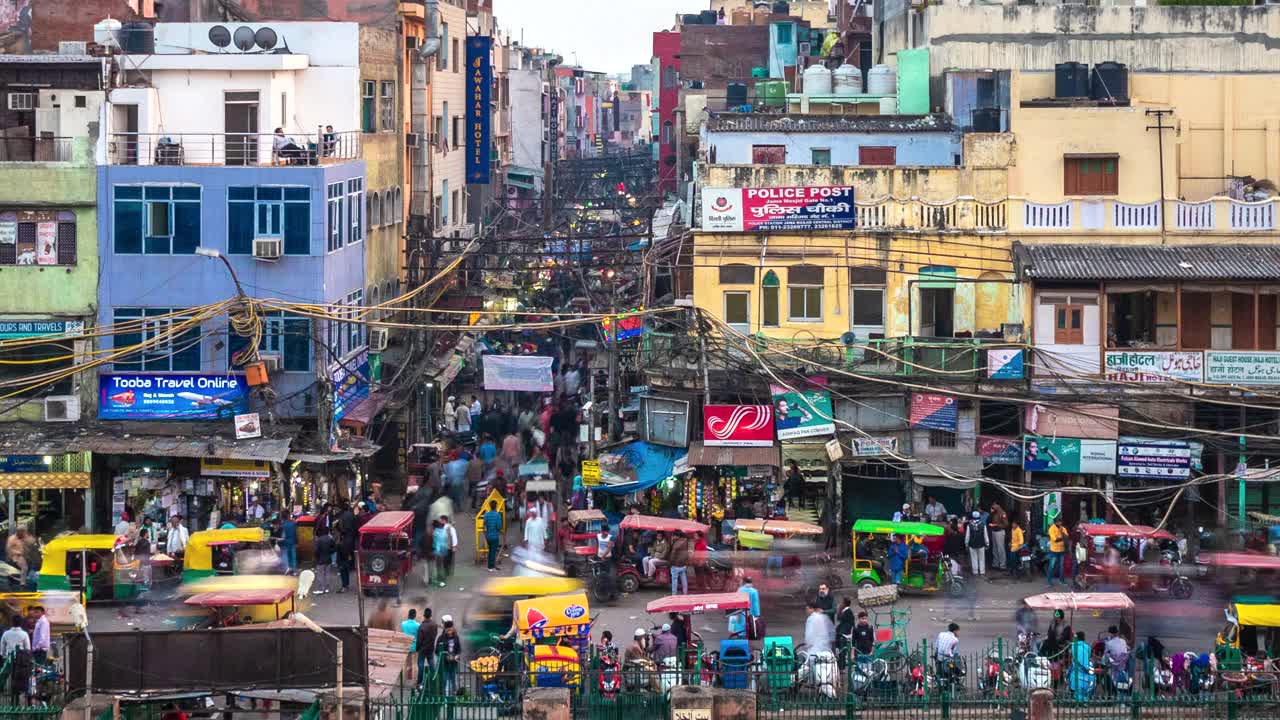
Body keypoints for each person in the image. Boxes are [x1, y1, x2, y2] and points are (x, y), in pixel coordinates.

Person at [438, 616, 462, 695]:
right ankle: (445, 697)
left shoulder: (456, 637)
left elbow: (459, 649)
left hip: (453, 663)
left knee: (453, 681)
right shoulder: (441, 638)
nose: (449, 632)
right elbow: (437, 651)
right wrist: (445, 656)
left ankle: (453, 698)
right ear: (445, 630)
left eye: (450, 630)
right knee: (444, 681)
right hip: (445, 664)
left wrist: (457, 655)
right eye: (448, 630)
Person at [415, 609, 439, 684]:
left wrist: (417, 648)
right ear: (430, 616)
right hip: (430, 648)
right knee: (432, 664)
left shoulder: (421, 626)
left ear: (424, 616)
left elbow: (419, 640)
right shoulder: (434, 625)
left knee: (421, 665)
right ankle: (434, 679)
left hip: (422, 649)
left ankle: (419, 682)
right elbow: (435, 635)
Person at [965, 511, 989, 578]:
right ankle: (982, 572)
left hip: (972, 544)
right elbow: (985, 535)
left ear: (972, 517)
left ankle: (975, 572)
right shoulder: (983, 524)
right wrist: (987, 543)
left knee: (974, 558)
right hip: (981, 544)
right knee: (982, 558)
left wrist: (966, 544)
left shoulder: (969, 525)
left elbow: (967, 536)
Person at [1047, 515, 1069, 587]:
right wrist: (1063, 537)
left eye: (1060, 522)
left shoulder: (1063, 528)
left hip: (1062, 550)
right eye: (1058, 522)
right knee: (1051, 566)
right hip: (1054, 550)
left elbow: (1067, 537)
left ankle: (1061, 580)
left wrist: (1062, 534)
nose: (1059, 524)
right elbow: (1055, 540)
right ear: (1055, 522)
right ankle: (1049, 581)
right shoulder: (1051, 529)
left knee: (1062, 566)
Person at [482, 501, 504, 571]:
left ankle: (490, 566)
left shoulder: (486, 515)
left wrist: (485, 534)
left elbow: (484, 525)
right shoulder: (497, 515)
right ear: (496, 506)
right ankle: (491, 567)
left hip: (488, 536)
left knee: (490, 550)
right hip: (495, 536)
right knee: (493, 552)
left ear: (490, 506)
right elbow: (499, 526)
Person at [988, 502, 1009, 572]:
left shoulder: (1002, 513)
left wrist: (996, 525)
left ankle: (1003, 565)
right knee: (995, 549)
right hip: (994, 532)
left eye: (993, 508)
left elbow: (1006, 524)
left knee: (1001, 549)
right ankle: (996, 564)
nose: (992, 510)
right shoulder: (993, 514)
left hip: (1000, 532)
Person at [668, 530, 690, 595]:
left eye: (673, 535)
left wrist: (670, 563)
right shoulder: (686, 541)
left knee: (674, 580)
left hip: (676, 565)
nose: (672, 537)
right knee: (683, 578)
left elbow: (672, 555)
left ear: (676, 536)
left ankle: (674, 594)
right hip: (683, 564)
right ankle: (685, 592)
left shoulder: (676, 544)